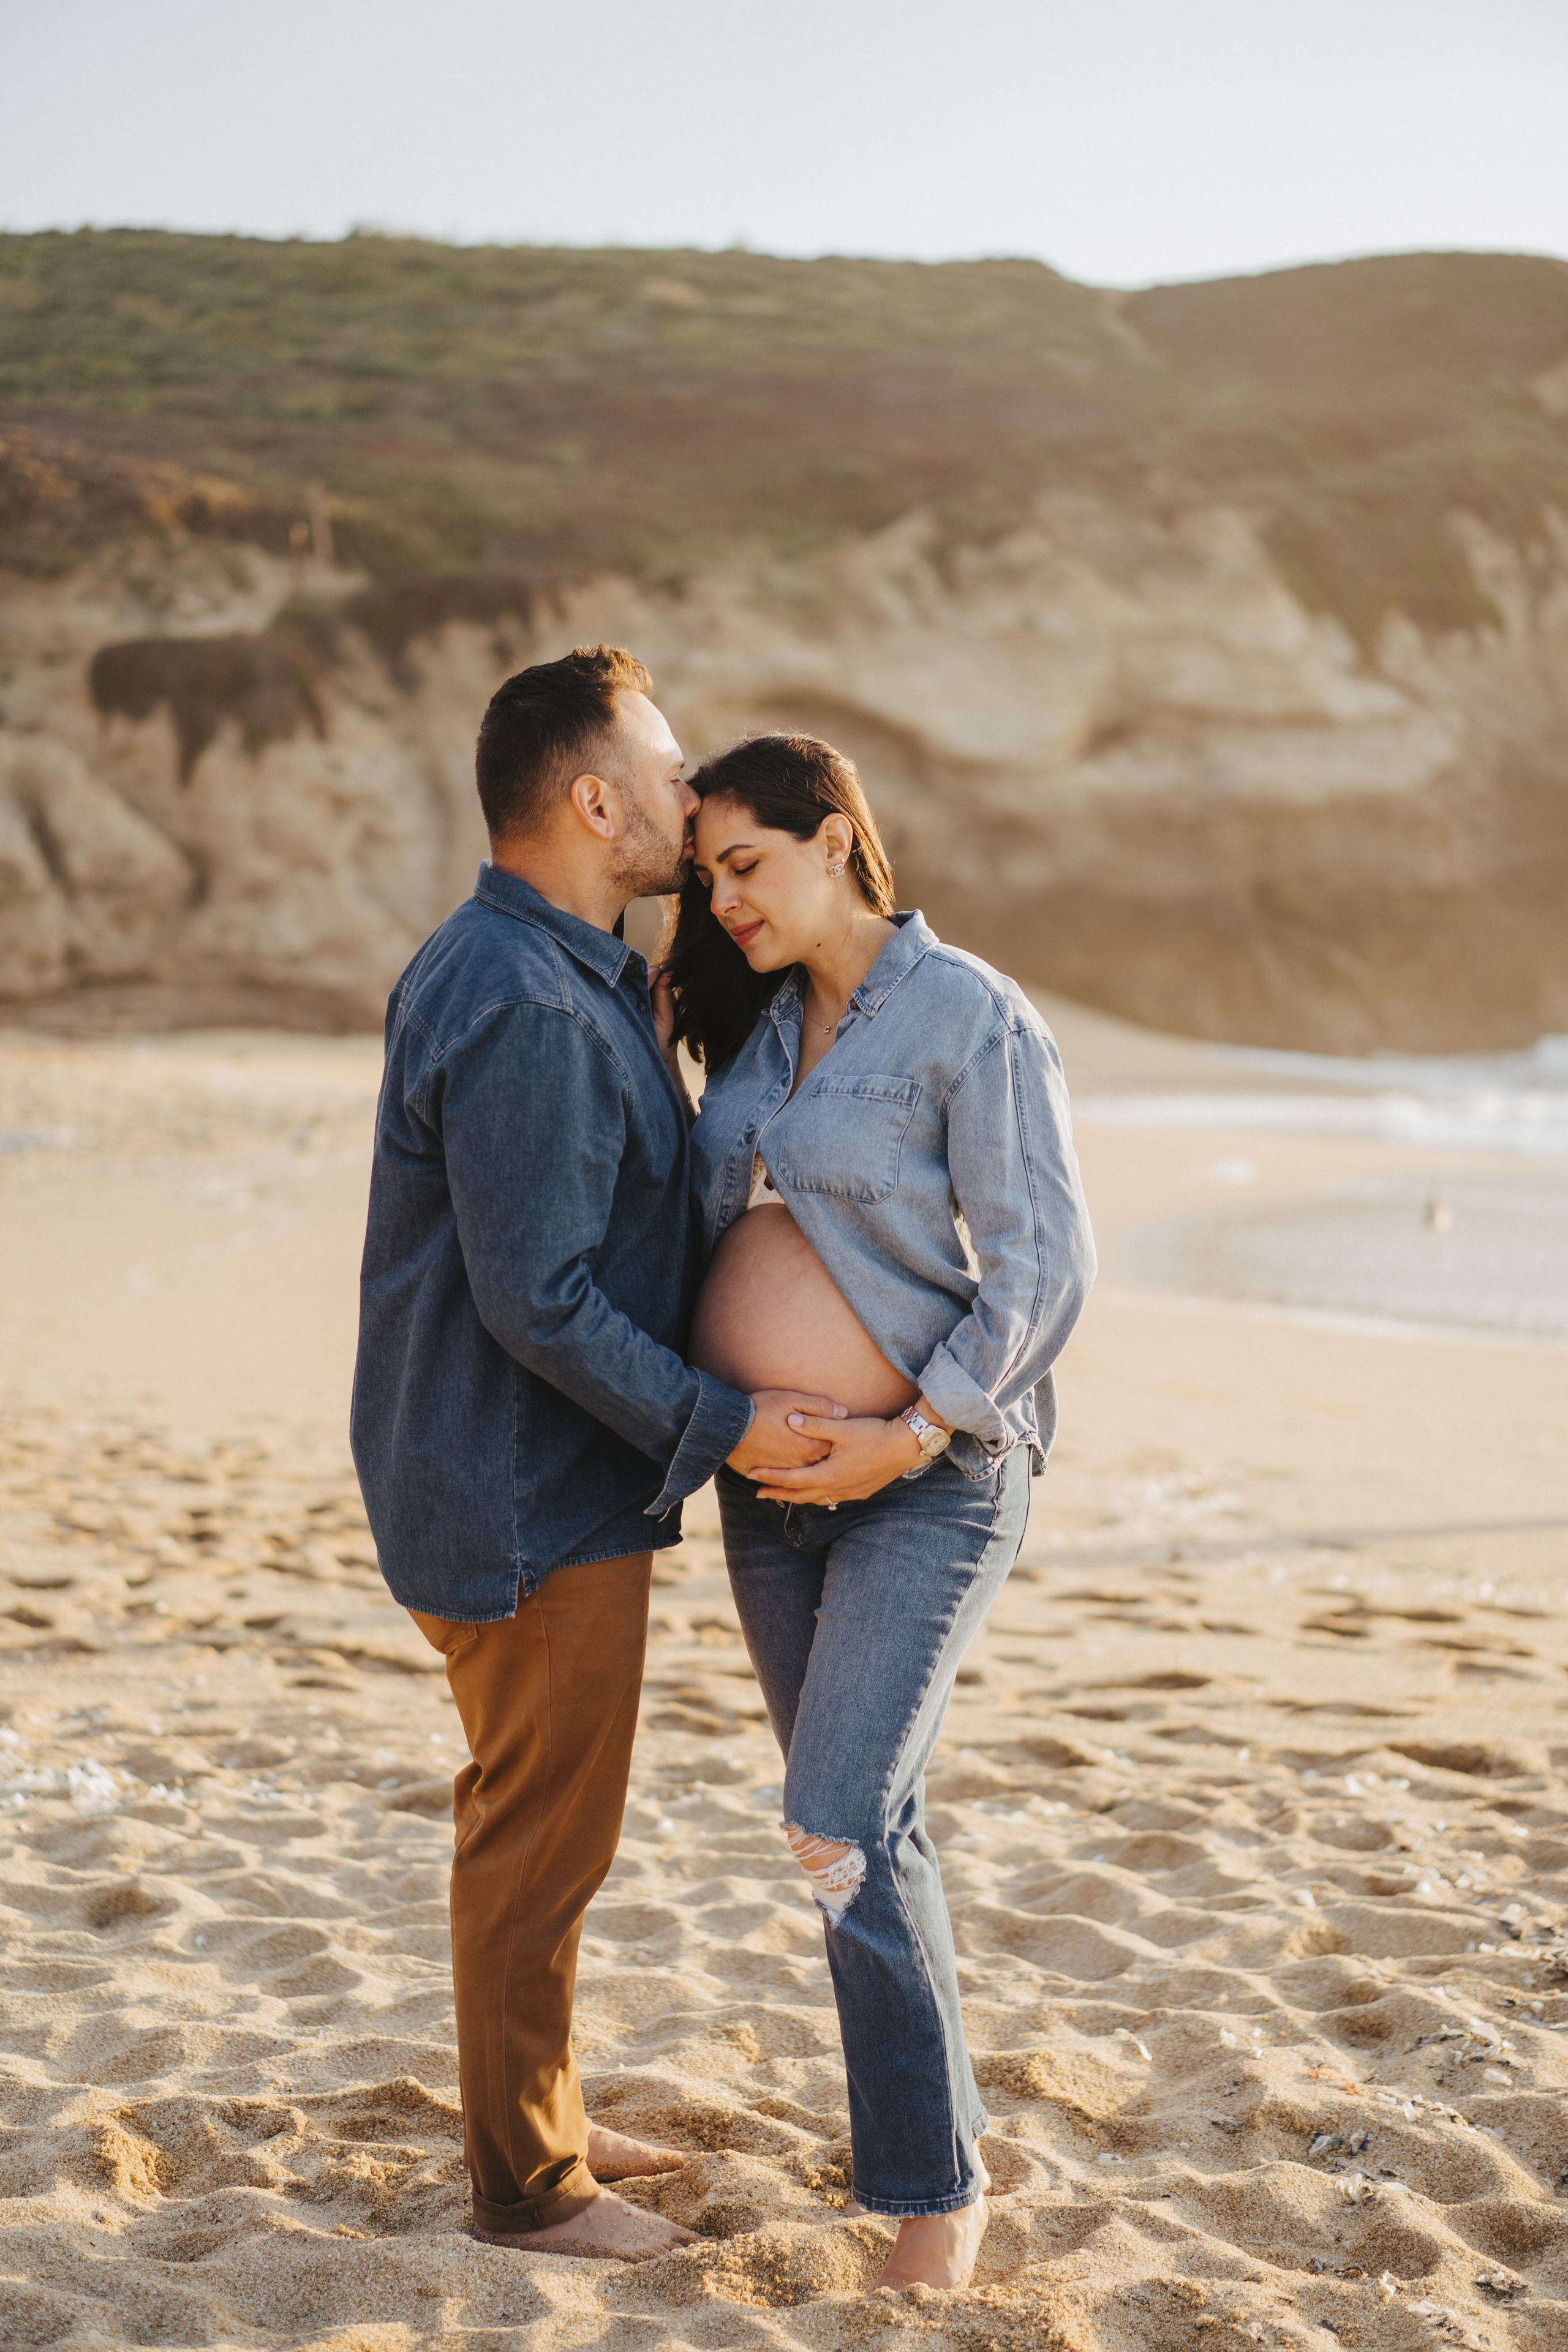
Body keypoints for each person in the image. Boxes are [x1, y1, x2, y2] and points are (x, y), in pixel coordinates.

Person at [350, 650, 845, 2263]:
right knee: (539, 1839)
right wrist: (727, 1423)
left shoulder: (548, 971)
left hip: (516, 1478)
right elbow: (540, 1300)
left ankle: (540, 2115)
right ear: (591, 799)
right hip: (523, 1495)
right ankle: (528, 2189)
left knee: (546, 1828)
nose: (689, 796)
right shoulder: (522, 1001)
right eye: (666, 768)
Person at [663, 732, 1096, 2291]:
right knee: (858, 1829)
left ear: (836, 840)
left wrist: (903, 1436)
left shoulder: (966, 1010)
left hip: (931, 1482)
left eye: (745, 864)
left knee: (834, 1815)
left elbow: (1043, 1265)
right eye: (707, 876)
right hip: (771, 1497)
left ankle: (933, 2189)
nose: (723, 900)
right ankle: (927, 2139)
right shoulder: (756, 1027)